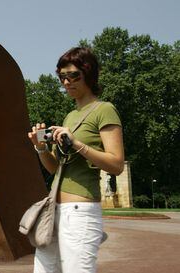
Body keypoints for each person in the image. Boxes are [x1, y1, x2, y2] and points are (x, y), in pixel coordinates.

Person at [28, 47, 124, 273]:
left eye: (73, 76)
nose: (66, 82)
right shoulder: (70, 116)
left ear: (89, 74)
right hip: (53, 209)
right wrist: (41, 148)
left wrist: (77, 143)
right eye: (62, 77)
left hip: (81, 211)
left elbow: (117, 164)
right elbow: (55, 168)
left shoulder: (104, 110)